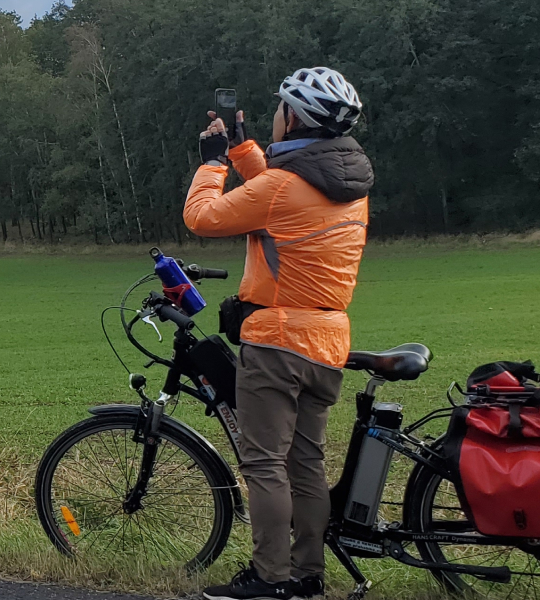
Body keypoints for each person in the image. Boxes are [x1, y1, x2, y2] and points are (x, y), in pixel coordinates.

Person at [183, 67, 372, 600]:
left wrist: (213, 163)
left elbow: (202, 217)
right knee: (306, 463)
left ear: (294, 117)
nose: (273, 115)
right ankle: (307, 575)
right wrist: (243, 151)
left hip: (277, 340)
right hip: (328, 341)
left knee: (265, 464)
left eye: (280, 107)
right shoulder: (348, 185)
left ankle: (271, 578)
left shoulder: (283, 187)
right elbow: (279, 195)